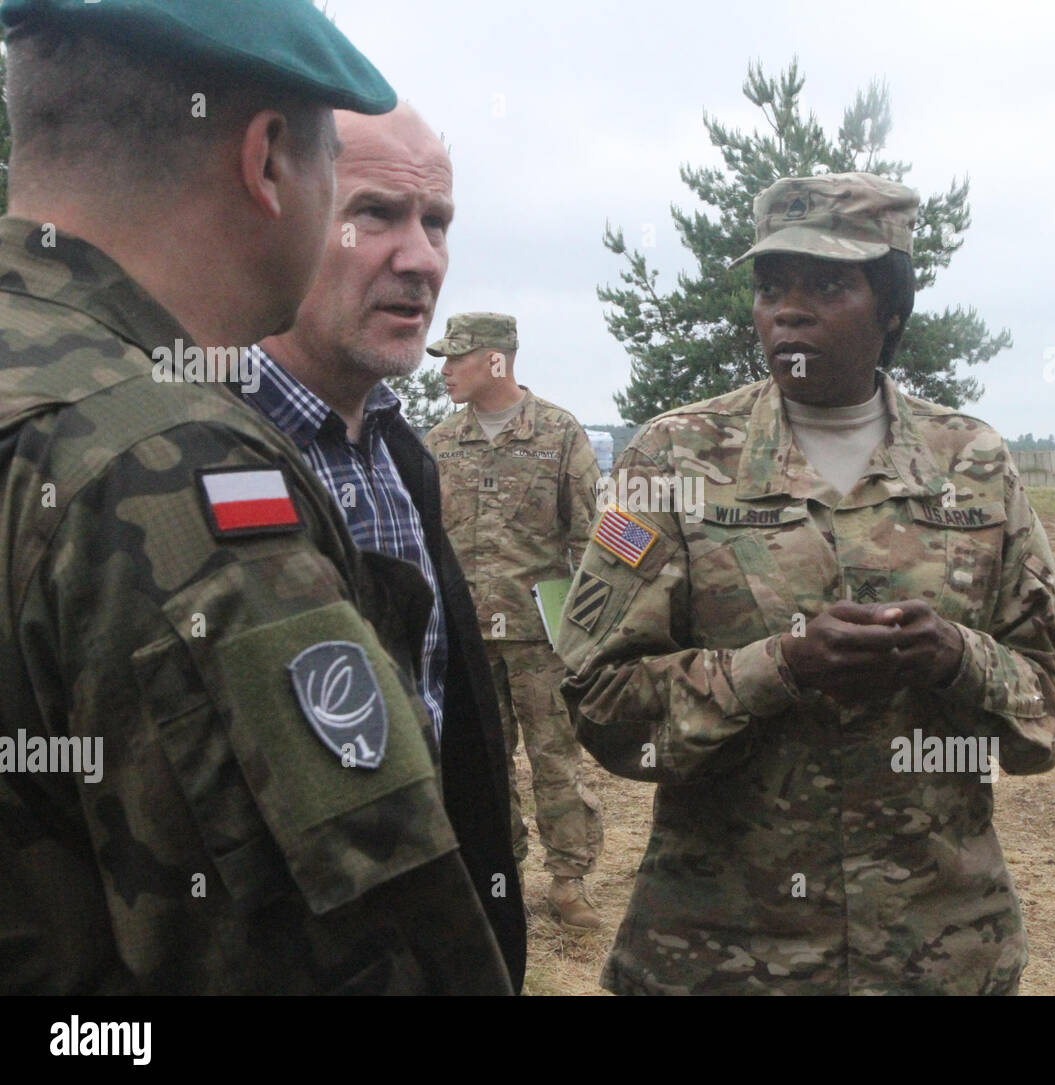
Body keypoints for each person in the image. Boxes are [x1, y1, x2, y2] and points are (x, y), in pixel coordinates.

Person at [0, 0, 511, 995]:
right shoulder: (173, 463)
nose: (420, 258)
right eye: (361, 200)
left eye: (436, 223)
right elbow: (345, 950)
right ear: (268, 159)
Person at [555, 172, 1055, 995]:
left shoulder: (972, 464)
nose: (788, 310)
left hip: (936, 953)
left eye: (829, 284)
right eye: (772, 286)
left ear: (892, 311)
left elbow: (1048, 705)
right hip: (721, 956)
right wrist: (780, 666)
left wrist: (954, 656)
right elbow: (598, 700)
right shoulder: (675, 458)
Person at [248, 107, 526, 986]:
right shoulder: (190, 449)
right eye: (375, 213)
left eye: (435, 222)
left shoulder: (403, 456)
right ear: (279, 206)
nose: (422, 259)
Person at [425, 313, 605, 929]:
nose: (444, 370)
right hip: (466, 638)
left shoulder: (559, 434)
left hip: (540, 638)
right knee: (482, 767)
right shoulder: (439, 442)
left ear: (495, 361)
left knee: (557, 761)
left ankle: (569, 882)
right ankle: (499, 874)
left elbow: (592, 539)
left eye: (456, 358)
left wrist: (589, 630)